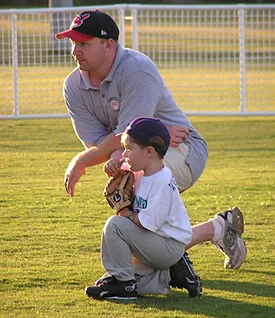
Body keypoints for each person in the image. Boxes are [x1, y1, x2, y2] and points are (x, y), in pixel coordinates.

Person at [55, 10, 246, 270]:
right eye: (74, 43)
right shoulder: (72, 85)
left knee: (141, 217)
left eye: (84, 43)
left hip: (183, 149)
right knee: (141, 233)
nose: (76, 50)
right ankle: (216, 229)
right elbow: (98, 143)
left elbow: (127, 135)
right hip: (138, 153)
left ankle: (182, 255)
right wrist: (107, 154)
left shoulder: (136, 69)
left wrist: (83, 161)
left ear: (109, 44)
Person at [85, 117, 202, 300]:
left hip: (168, 246)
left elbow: (146, 223)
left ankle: (124, 285)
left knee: (115, 225)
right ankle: (170, 275)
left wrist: (124, 212)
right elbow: (119, 166)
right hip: (156, 242)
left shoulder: (162, 182)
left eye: (129, 149)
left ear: (149, 151)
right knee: (123, 277)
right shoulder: (142, 170)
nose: (124, 154)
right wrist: (112, 165)